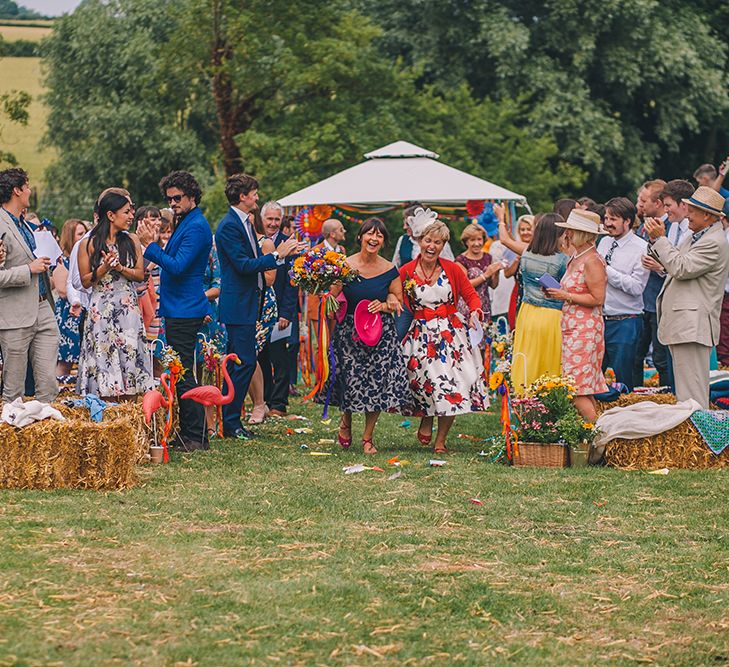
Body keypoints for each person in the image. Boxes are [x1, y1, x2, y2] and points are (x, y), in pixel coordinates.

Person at [215, 174, 301, 439]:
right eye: (254, 193)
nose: (257, 197)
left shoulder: (246, 223)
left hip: (249, 302)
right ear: (242, 196)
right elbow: (243, 265)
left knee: (237, 363)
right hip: (238, 304)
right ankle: (231, 423)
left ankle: (228, 418)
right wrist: (277, 255)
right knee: (246, 362)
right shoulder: (229, 226)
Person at [400, 211, 488, 454]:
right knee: (426, 382)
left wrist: (475, 311)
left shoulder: (453, 269)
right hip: (420, 335)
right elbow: (399, 301)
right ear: (419, 241)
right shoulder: (406, 270)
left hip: (451, 334)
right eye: (428, 241)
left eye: (438, 242)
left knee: (454, 385)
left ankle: (441, 440)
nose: (432, 246)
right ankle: (426, 417)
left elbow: (470, 295)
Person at [136, 171, 212, 450]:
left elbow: (178, 266)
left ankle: (195, 436)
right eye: (169, 199)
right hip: (179, 306)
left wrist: (151, 246)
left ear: (192, 196)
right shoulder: (186, 221)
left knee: (182, 373)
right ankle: (195, 433)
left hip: (185, 307)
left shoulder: (196, 226)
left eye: (177, 198)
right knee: (181, 371)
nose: (172, 203)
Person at [325, 217, 407, 454]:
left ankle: (368, 437)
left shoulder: (390, 269)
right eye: (369, 234)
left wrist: (385, 304)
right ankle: (346, 421)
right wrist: (325, 291)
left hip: (379, 332)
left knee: (377, 384)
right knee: (350, 380)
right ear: (360, 237)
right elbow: (333, 297)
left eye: (379, 235)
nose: (374, 238)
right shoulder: (345, 265)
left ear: (383, 241)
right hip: (349, 331)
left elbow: (396, 298)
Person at [645, 186, 729, 408]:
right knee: (685, 394)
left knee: (692, 396)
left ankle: (698, 441)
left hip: (693, 326)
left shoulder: (714, 242)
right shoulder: (696, 237)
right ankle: (694, 438)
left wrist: (660, 239)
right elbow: (673, 264)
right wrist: (655, 241)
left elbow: (681, 268)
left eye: (692, 210)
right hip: (685, 325)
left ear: (708, 216)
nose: (687, 214)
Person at [76, 191, 152, 400]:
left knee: (128, 353)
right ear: (111, 215)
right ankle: (105, 404)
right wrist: (104, 268)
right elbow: (85, 281)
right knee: (103, 353)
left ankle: (129, 404)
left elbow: (138, 275)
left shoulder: (132, 240)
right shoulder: (88, 243)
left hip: (127, 307)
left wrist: (119, 267)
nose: (131, 216)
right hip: (100, 307)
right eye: (127, 212)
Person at [0, 168, 59, 404]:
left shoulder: (26, 225)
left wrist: (48, 258)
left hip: (44, 307)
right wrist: (28, 270)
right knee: (13, 389)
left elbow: (35, 262)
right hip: (14, 314)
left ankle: (47, 432)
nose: (30, 191)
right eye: (28, 186)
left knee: (48, 383)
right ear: (17, 190)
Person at [496, 205, 568, 394]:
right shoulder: (563, 260)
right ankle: (549, 399)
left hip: (527, 313)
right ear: (556, 234)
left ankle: (524, 397)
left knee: (528, 357)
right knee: (549, 360)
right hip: (552, 316)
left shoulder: (526, 252)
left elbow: (504, 239)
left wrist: (501, 219)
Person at [545, 209, 608, 422]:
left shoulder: (592, 261)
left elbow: (598, 298)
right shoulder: (576, 258)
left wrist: (565, 295)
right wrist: (559, 294)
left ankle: (600, 434)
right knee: (582, 388)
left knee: (576, 389)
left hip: (586, 330)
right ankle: (596, 437)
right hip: (573, 327)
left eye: (571, 231)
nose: (567, 235)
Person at [634, 179, 693, 388]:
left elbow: (681, 266)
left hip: (674, 302)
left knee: (666, 358)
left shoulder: (685, 230)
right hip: (652, 300)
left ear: (682, 205)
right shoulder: (672, 226)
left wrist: (660, 267)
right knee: (647, 355)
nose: (666, 211)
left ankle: (673, 396)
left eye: (668, 205)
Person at [597, 197, 649, 392]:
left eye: (613, 219)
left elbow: (637, 288)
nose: (607, 223)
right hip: (600, 319)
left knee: (624, 377)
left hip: (626, 321)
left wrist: (606, 270)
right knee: (595, 374)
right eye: (606, 218)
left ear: (627, 221)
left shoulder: (642, 248)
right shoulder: (603, 242)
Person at [258, 200, 299, 417]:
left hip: (280, 313)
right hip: (259, 312)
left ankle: (279, 404)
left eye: (276, 219)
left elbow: (293, 285)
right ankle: (263, 400)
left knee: (280, 358)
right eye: (269, 219)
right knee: (261, 356)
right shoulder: (255, 242)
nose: (273, 223)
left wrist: (286, 313)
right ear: (262, 219)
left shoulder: (288, 245)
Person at [52, 219, 88, 377]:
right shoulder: (62, 261)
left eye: (85, 233)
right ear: (69, 237)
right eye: (80, 234)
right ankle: (58, 390)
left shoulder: (85, 261)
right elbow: (62, 290)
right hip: (69, 316)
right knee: (66, 361)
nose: (84, 237)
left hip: (83, 314)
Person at [454, 223, 499, 322]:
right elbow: (463, 286)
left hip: (484, 305)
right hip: (467, 306)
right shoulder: (461, 260)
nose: (477, 243)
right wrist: (485, 275)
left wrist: (497, 271)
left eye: (479, 239)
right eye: (472, 240)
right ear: (466, 242)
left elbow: (493, 285)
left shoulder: (488, 257)